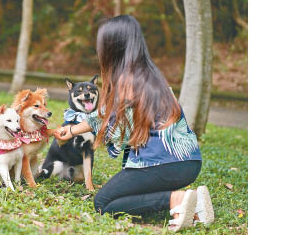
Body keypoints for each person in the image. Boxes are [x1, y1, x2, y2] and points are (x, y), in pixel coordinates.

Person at [54, 15, 214, 232]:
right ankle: (195, 207)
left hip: (161, 165)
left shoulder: (126, 83)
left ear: (112, 48)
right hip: (189, 162)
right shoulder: (150, 76)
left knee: (102, 203)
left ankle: (176, 199)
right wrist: (72, 130)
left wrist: (94, 134)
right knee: (125, 195)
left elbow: (117, 127)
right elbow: (105, 114)